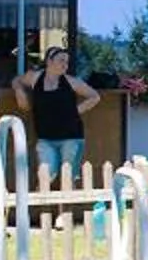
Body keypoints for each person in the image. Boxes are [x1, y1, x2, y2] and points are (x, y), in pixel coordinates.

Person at [13, 46, 99, 185]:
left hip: (71, 138)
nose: (65, 65)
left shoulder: (71, 81)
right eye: (61, 60)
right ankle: (42, 200)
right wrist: (20, 93)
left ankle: (68, 200)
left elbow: (94, 96)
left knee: (68, 178)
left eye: (67, 62)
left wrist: (75, 111)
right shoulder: (35, 78)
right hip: (45, 138)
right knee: (46, 176)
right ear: (49, 61)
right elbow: (17, 81)